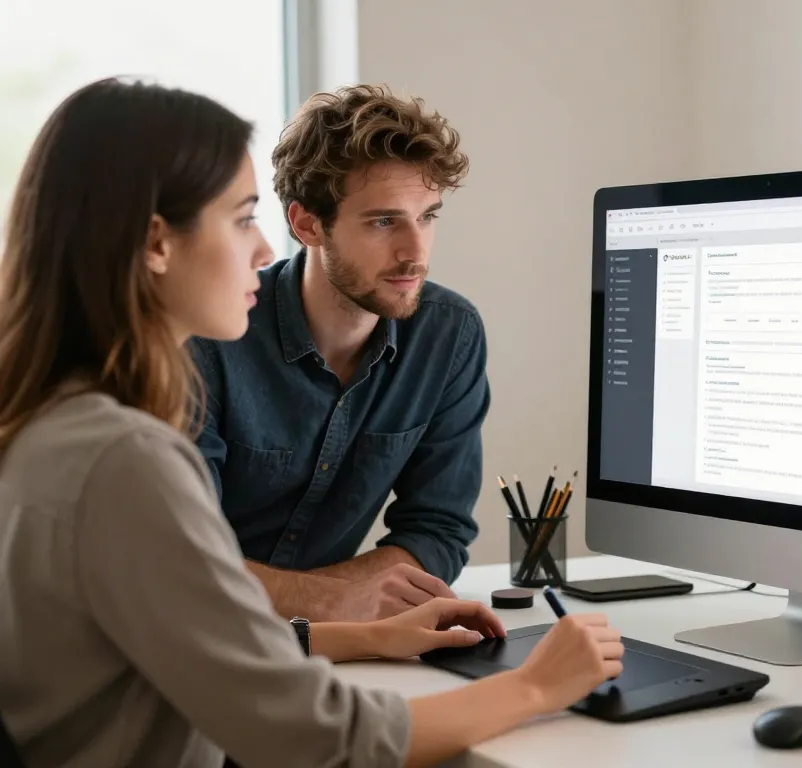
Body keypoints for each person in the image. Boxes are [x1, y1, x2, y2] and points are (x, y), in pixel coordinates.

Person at [0, 78, 625, 768]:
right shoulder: (123, 460)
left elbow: (193, 639)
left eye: (429, 216)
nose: (263, 251)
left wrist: (364, 636)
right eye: (241, 219)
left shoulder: (58, 423)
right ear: (156, 243)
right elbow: (313, 738)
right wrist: (536, 686)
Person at [190, 84, 490, 623]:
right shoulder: (208, 338)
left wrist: (313, 604)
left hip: (331, 646)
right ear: (306, 224)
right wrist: (334, 602)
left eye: (427, 217)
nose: (415, 253)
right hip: (190, 643)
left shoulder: (449, 334)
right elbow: (184, 562)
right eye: (384, 222)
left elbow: (437, 533)